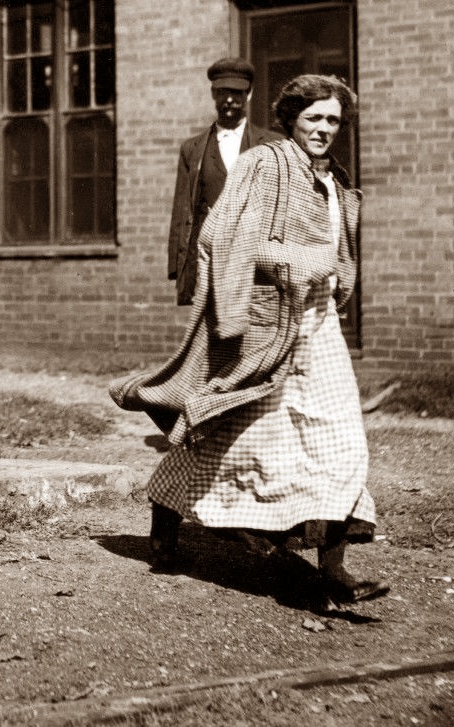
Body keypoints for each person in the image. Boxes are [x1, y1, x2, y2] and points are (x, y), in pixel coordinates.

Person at [112, 74, 384, 608]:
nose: (324, 129)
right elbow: (223, 236)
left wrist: (337, 276)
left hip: (319, 324)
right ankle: (165, 511)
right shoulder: (265, 163)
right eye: (314, 118)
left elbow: (338, 249)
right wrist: (300, 262)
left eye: (333, 120)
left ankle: (335, 570)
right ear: (291, 119)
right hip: (264, 325)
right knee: (235, 435)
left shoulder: (332, 179)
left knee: (341, 438)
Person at [169, 57, 283, 306]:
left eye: (237, 93)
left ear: (249, 94)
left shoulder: (273, 144)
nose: (229, 99)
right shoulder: (193, 149)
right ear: (212, 94)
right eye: (222, 92)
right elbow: (182, 210)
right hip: (208, 259)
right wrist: (178, 267)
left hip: (257, 259)